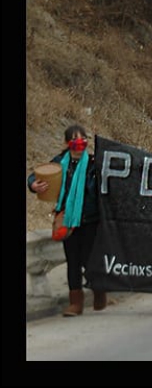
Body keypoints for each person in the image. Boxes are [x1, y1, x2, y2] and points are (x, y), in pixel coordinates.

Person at [27, 124, 107, 317]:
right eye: (75, 141)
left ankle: (99, 291)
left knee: (89, 261)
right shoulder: (60, 163)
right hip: (68, 220)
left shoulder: (94, 163)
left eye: (83, 140)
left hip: (90, 220)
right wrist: (33, 184)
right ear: (66, 143)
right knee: (72, 261)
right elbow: (35, 176)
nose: (80, 144)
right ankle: (75, 303)